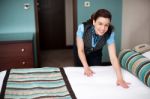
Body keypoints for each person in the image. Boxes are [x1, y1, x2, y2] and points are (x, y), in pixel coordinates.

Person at [73, 9, 130, 88]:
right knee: (82, 72)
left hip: (96, 52)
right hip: (81, 50)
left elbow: (113, 57)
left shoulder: (110, 33)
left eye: (106, 25)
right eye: (100, 24)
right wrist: (86, 67)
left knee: (96, 73)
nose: (103, 28)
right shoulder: (82, 28)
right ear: (94, 22)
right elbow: (81, 50)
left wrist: (120, 78)